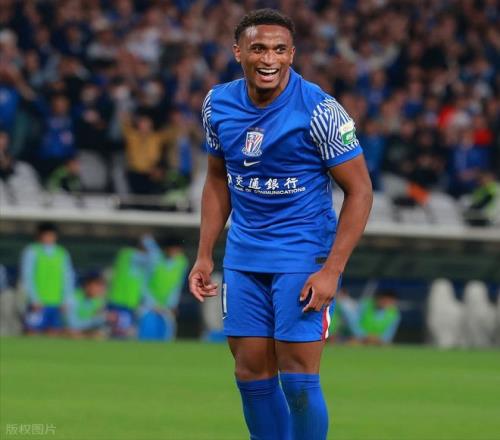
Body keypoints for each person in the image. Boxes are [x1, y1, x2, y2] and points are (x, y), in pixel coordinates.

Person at [188, 9, 372, 440]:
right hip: (244, 255)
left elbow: (361, 191)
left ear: (292, 54)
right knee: (249, 372)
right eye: (258, 48)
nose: (269, 58)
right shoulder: (217, 104)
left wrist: (331, 270)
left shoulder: (321, 111)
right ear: (238, 52)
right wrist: (204, 255)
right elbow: (217, 179)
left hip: (302, 256)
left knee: (298, 379)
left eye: (279, 49)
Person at [20, 222, 75, 335]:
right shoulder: (32, 251)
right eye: (46, 235)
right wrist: (34, 299)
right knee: (32, 332)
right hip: (38, 302)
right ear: (39, 236)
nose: (49, 238)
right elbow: (27, 276)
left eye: (51, 235)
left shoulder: (61, 253)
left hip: (56, 302)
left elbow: (68, 277)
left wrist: (66, 299)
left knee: (54, 333)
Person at [138, 236, 189, 341]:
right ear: (166, 249)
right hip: (148, 304)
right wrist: (152, 303)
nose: (174, 252)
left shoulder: (182, 262)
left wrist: (172, 304)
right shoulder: (154, 259)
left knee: (168, 334)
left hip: (166, 305)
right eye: (172, 249)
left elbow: (177, 285)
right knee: (145, 332)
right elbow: (143, 281)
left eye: (177, 250)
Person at [66, 272, 107, 338]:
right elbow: (71, 324)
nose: (100, 289)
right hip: (73, 330)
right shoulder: (73, 298)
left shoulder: (99, 301)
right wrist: (96, 319)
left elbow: (100, 322)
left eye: (102, 286)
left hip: (85, 330)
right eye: (97, 285)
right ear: (87, 285)